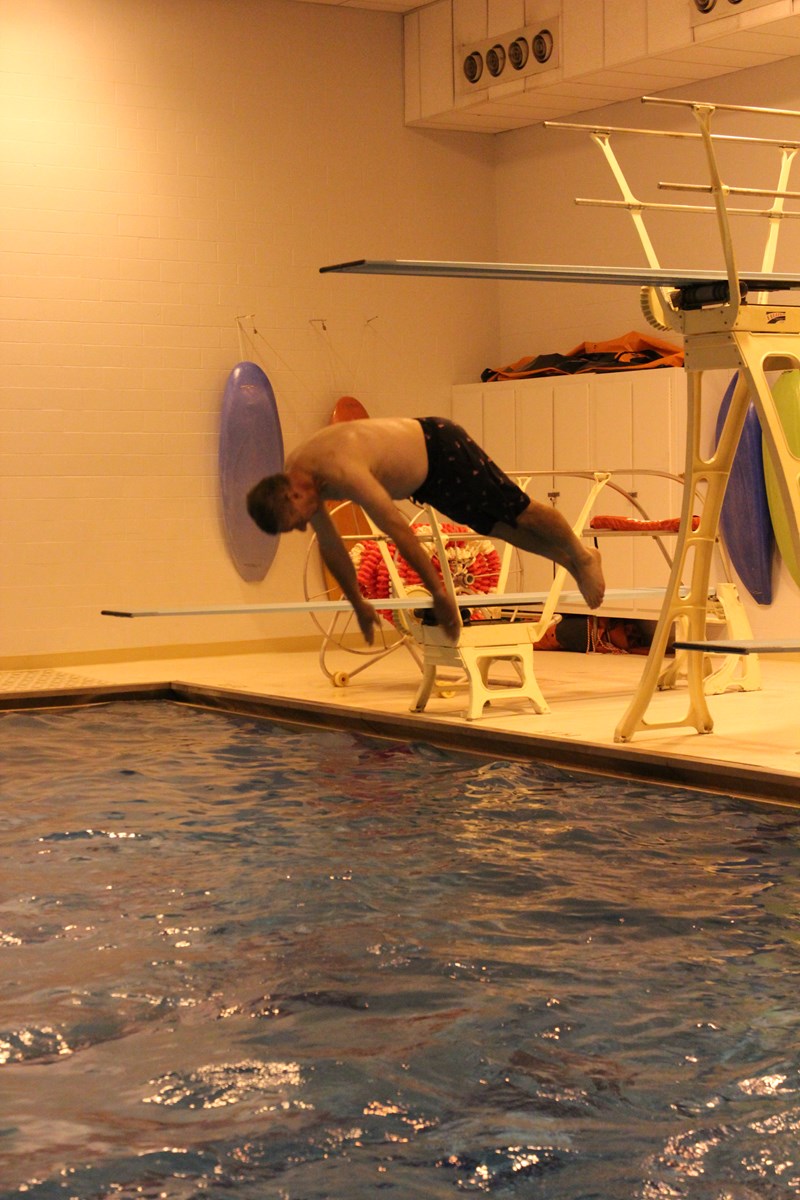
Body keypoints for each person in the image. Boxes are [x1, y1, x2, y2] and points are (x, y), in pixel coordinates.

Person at [247, 416, 604, 646]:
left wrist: (439, 593)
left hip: (441, 449)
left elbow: (399, 530)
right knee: (497, 526)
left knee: (518, 511)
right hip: (426, 482)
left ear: (293, 495)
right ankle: (568, 561)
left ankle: (583, 555)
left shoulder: (340, 470)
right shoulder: (298, 479)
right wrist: (357, 602)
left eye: (295, 522)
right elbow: (330, 545)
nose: (301, 527)